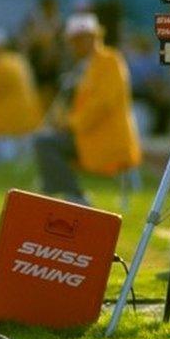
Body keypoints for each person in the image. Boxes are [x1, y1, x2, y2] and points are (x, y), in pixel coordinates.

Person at [32, 13, 142, 206]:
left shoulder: (110, 60)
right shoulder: (85, 65)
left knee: (45, 143)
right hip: (88, 135)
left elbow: (103, 103)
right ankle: (54, 194)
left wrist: (70, 124)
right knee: (45, 140)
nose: (77, 45)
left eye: (82, 39)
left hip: (106, 138)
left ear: (95, 37)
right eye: (74, 41)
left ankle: (73, 195)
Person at [0, 28, 42, 162]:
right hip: (30, 113)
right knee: (26, 157)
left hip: (9, 118)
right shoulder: (18, 60)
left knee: (7, 157)